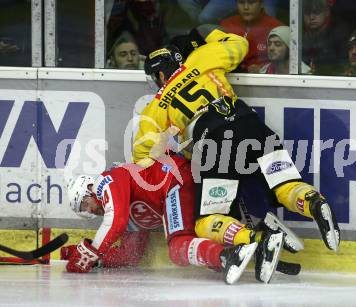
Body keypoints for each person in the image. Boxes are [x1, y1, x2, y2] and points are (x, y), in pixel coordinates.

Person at [135, 25, 340, 257]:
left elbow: (142, 156)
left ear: (161, 75)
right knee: (284, 185)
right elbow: (240, 44)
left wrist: (177, 157)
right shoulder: (203, 57)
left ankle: (254, 239)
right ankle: (313, 202)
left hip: (215, 142)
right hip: (250, 124)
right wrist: (207, 30)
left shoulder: (156, 106)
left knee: (206, 220)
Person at [62, 154, 285, 285]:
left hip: (174, 180)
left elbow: (115, 221)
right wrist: (99, 260)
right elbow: (132, 255)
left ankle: (228, 256)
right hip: (180, 180)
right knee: (202, 228)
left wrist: (89, 253)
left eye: (85, 205)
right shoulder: (121, 204)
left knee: (178, 246)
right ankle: (256, 246)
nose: (91, 212)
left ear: (88, 190)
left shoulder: (105, 181)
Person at [219, 0, 283, 73]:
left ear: (261, 4)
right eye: (241, 2)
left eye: (251, 2)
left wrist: (263, 69)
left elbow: (284, 61)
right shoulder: (226, 24)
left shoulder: (276, 27)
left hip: (262, 79)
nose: (246, 7)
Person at [302, 0, 351, 75]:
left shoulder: (340, 33)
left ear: (327, 12)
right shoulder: (299, 32)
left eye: (316, 12)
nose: (311, 17)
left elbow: (344, 64)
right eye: (307, 13)